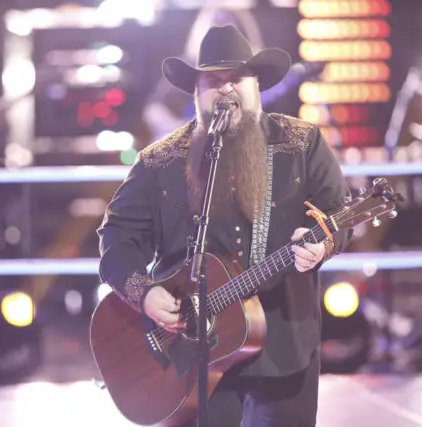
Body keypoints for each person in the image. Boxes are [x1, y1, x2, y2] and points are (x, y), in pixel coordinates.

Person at [97, 25, 353, 427]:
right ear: (196, 92)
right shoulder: (159, 162)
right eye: (214, 81)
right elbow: (116, 239)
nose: (226, 90)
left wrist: (324, 245)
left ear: (256, 86)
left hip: (283, 349)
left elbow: (338, 214)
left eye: (237, 79)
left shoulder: (302, 144)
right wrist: (144, 294)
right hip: (192, 359)